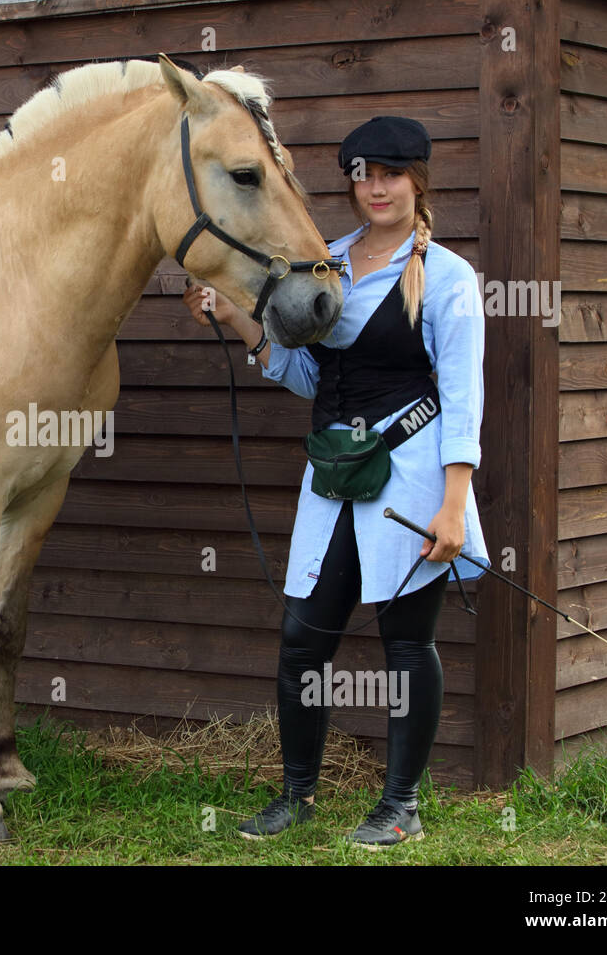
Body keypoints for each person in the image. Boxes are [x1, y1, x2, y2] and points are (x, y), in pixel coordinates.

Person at [182, 115, 488, 849]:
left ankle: (401, 807)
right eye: (362, 175)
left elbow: (463, 396)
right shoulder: (329, 262)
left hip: (412, 484)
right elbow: (307, 376)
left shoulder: (447, 277)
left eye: (389, 174)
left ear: (417, 180)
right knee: (300, 640)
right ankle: (297, 796)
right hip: (333, 476)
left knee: (407, 644)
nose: (375, 188)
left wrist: (454, 503)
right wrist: (236, 319)